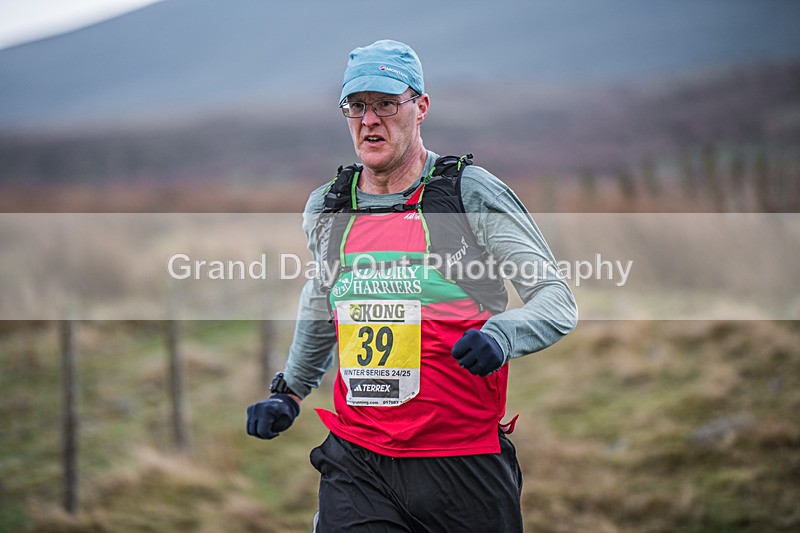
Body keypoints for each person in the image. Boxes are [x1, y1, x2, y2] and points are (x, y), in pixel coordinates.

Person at [247, 39, 578, 532]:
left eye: (385, 104)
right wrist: (290, 391)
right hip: (359, 460)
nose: (370, 120)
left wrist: (500, 336)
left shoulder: (468, 192)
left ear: (420, 107)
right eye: (356, 106)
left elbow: (556, 300)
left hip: (460, 461)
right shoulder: (330, 205)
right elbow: (324, 296)